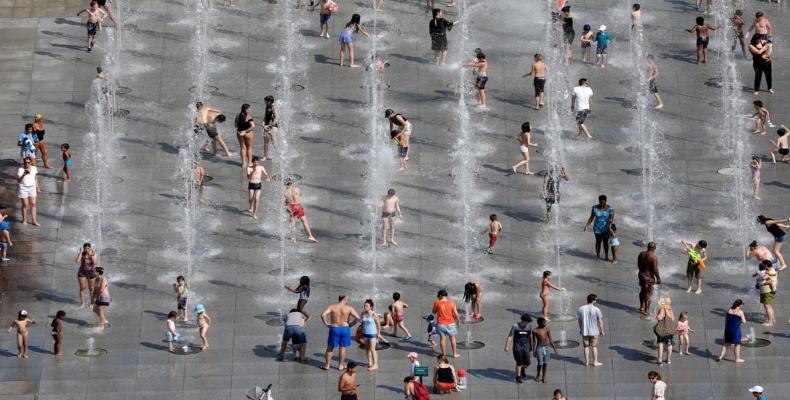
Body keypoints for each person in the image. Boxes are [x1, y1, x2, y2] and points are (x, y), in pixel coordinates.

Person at [321, 295, 361, 370]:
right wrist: (352, 324)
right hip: (345, 328)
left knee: (330, 347)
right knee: (342, 348)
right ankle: (340, 366)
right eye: (347, 299)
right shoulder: (349, 308)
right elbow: (358, 318)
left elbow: (323, 315)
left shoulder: (332, 306)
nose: (347, 301)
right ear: (344, 299)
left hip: (335, 328)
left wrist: (326, 324)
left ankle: (327, 365)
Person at [503, 313, 535, 383]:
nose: (528, 323)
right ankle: (518, 377)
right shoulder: (515, 326)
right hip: (517, 346)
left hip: (526, 346)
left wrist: (531, 346)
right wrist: (507, 346)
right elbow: (510, 336)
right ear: (523, 320)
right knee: (519, 362)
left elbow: (530, 336)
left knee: (527, 362)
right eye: (527, 321)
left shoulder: (529, 326)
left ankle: (522, 369)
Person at [583, 195, 614, 261]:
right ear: (599, 201)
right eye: (601, 202)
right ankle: (598, 256)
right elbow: (591, 217)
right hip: (597, 228)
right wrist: (587, 225)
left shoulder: (610, 208)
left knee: (605, 242)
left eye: (603, 202)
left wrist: (610, 226)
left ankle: (606, 256)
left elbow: (611, 218)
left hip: (606, 228)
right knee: (598, 241)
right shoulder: (594, 208)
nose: (602, 204)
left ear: (606, 201)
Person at [577, 294, 604, 367]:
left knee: (586, 347)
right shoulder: (596, 309)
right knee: (594, 347)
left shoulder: (581, 308)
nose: (596, 301)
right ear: (593, 300)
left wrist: (581, 329)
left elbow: (579, 321)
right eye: (596, 299)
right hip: (594, 331)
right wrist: (602, 330)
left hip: (585, 331)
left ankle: (586, 362)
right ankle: (595, 362)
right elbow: (600, 321)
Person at [432, 289, 460, 358]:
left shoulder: (437, 303)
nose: (438, 297)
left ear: (441, 295)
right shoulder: (452, 303)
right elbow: (456, 314)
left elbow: (434, 312)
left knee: (442, 339)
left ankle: (444, 354)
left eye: (438, 296)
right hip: (451, 323)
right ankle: (454, 354)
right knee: (453, 338)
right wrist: (458, 321)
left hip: (441, 324)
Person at [637, 242, 661, 315]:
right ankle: (647, 310)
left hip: (641, 274)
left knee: (642, 290)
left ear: (647, 247)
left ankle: (641, 307)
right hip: (648, 277)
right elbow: (655, 269)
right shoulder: (653, 257)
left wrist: (642, 273)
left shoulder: (641, 254)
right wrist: (658, 278)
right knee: (648, 293)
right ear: (654, 248)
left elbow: (638, 264)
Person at [532, 317, 558, 384]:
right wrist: (534, 351)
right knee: (540, 363)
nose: (545, 324)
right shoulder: (535, 330)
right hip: (539, 347)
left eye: (545, 322)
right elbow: (534, 342)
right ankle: (538, 374)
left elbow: (551, 340)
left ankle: (544, 376)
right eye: (543, 323)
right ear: (539, 323)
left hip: (546, 347)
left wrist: (555, 349)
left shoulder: (547, 329)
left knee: (545, 363)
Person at [16, 156, 40, 227]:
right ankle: (24, 220)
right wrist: (24, 174)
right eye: (25, 162)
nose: (27, 164)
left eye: (28, 162)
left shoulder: (34, 168)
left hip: (32, 188)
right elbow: (18, 180)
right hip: (23, 188)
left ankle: (34, 221)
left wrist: (38, 187)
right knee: (25, 205)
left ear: (31, 162)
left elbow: (36, 178)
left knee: (33, 204)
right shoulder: (21, 169)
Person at [360, 299, 382, 370]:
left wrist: (378, 334)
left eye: (366, 305)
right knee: (367, 349)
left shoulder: (374, 314)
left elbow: (378, 324)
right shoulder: (362, 313)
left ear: (371, 307)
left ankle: (375, 364)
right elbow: (361, 322)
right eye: (364, 305)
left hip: (372, 334)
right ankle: (370, 362)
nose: (365, 307)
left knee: (372, 349)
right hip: (365, 334)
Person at [755, 260, 777, 326]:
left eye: (764, 266)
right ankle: (772, 319)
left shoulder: (768, 272)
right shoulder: (771, 270)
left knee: (767, 306)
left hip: (767, 290)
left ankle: (770, 322)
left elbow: (767, 279)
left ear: (766, 266)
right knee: (769, 305)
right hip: (768, 290)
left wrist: (758, 280)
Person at [76, 243, 98, 308]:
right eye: (85, 248)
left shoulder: (93, 253)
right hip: (82, 272)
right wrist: (80, 252)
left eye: (88, 248)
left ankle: (92, 303)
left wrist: (90, 255)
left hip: (91, 272)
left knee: (91, 288)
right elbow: (77, 261)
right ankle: (82, 303)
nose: (87, 249)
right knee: (82, 288)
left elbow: (95, 262)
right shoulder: (82, 254)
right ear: (83, 248)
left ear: (90, 248)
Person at [654, 297, 675, 365]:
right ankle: (668, 360)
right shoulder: (670, 309)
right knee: (669, 344)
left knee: (661, 344)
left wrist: (657, 316)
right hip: (669, 330)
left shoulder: (662, 308)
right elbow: (673, 319)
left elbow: (659, 317)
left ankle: (660, 359)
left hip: (662, 330)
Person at [262, 96, 278, 161]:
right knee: (265, 142)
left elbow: (276, 118)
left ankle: (277, 156)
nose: (264, 102)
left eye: (265, 101)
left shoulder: (274, 108)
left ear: (269, 101)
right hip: (266, 127)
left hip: (273, 127)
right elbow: (265, 117)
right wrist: (263, 124)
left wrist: (270, 125)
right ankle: (265, 156)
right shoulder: (267, 107)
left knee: (274, 142)